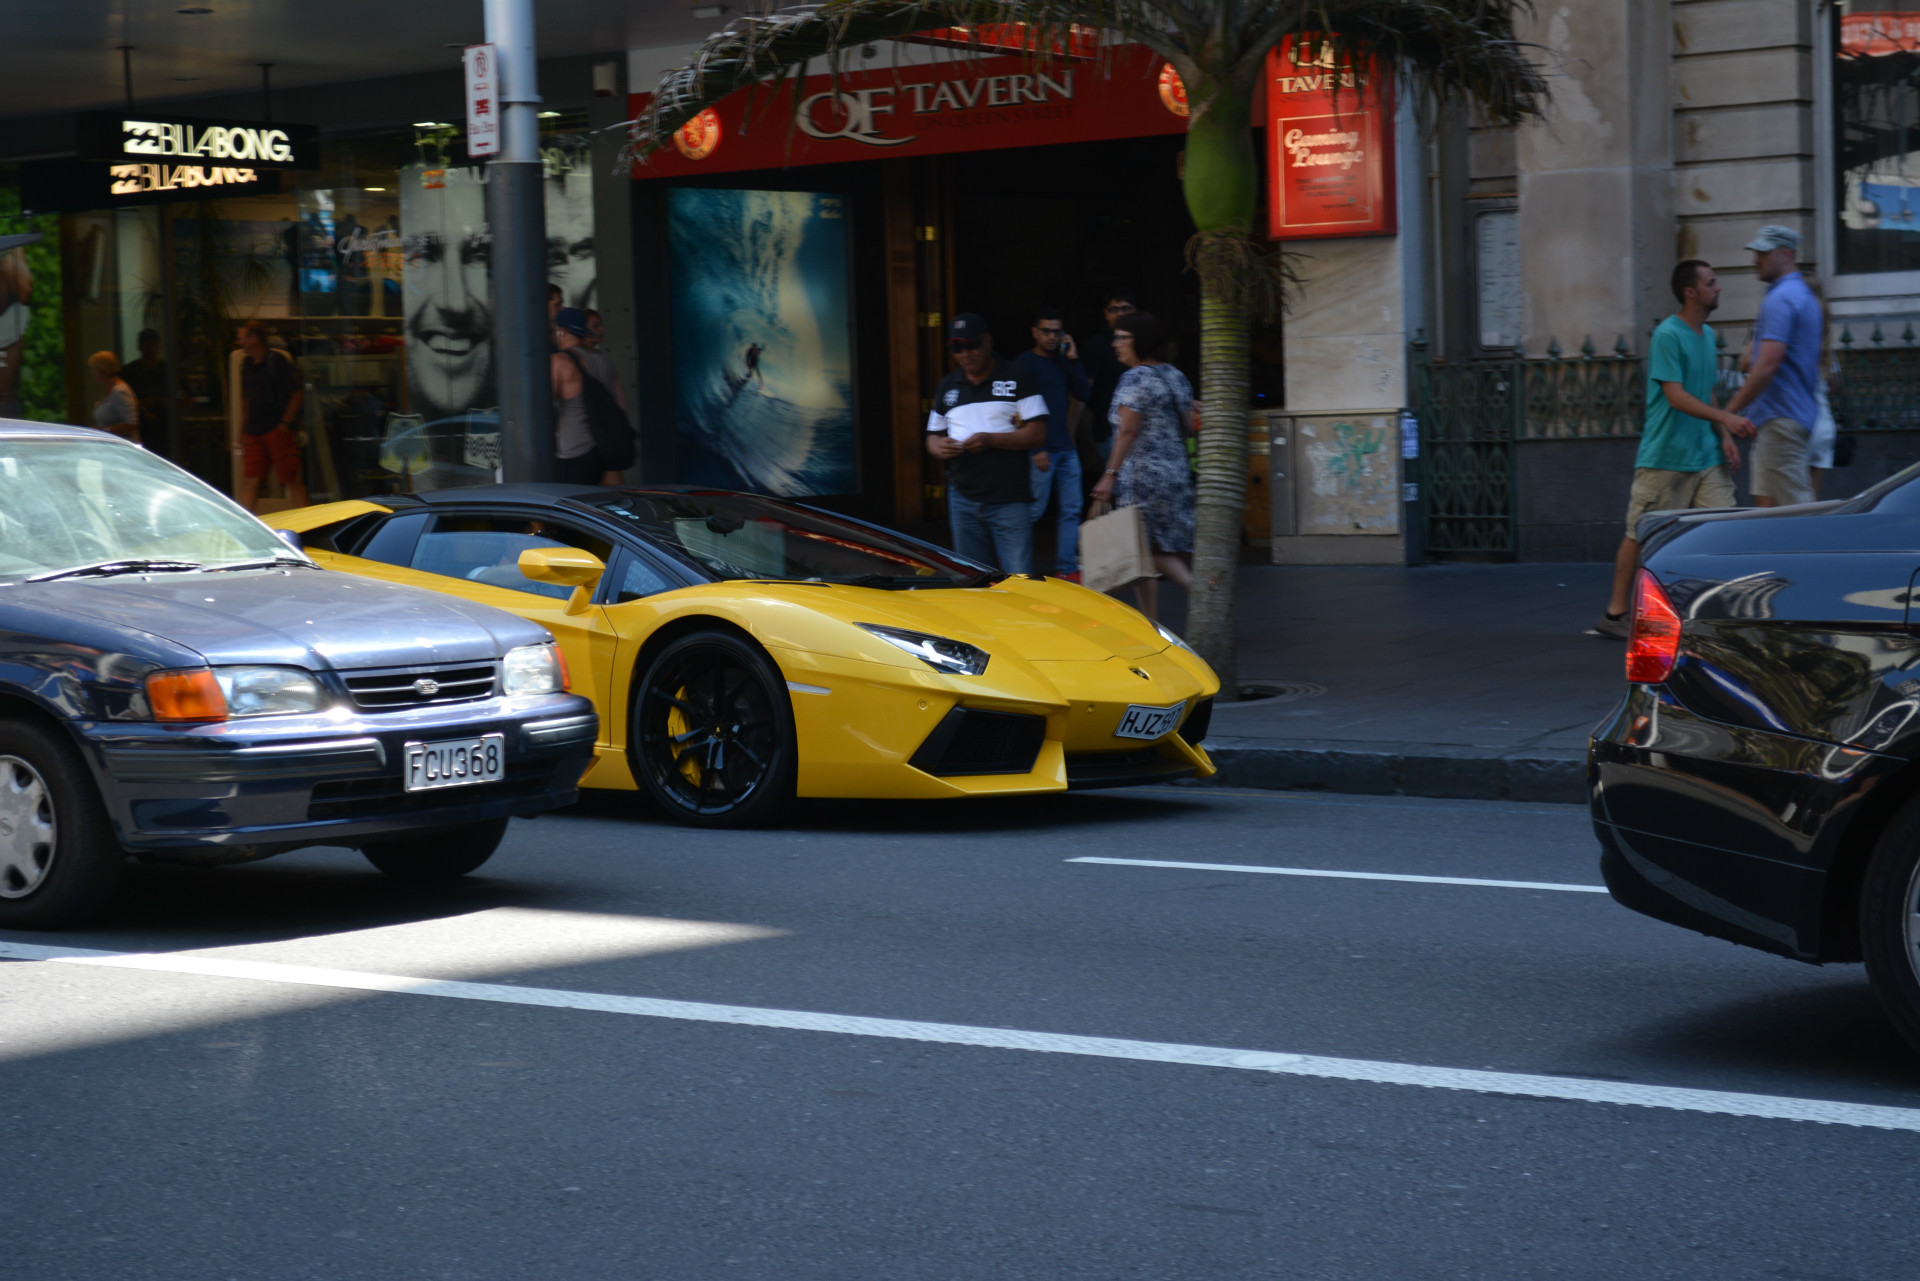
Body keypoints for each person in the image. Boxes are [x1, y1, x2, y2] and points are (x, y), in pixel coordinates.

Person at [1592, 260, 1754, 639]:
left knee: (1722, 531)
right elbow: (1676, 395)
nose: (1719, 289)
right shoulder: (1668, 335)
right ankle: (1615, 614)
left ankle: (1713, 611)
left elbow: (1705, 389)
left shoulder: (1708, 335)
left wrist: (1723, 436)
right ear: (1690, 292)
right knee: (1640, 534)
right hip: (1666, 456)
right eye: (1712, 283)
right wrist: (1728, 420)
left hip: (1706, 456)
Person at [1089, 312, 1194, 624]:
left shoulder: (1135, 378)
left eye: (1123, 338)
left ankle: (1203, 595)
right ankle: (1151, 619)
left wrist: (1110, 474)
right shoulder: (1176, 375)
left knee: (1143, 549)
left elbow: (1127, 431)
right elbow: (1189, 424)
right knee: (1147, 548)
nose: (1115, 344)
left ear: (1141, 342)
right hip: (1175, 473)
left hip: (1142, 477)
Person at [926, 313, 1047, 573]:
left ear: (988, 342)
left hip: (1009, 499)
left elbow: (1037, 433)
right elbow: (933, 438)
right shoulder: (948, 386)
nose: (965, 354)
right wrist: (941, 448)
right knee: (974, 580)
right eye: (957, 348)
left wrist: (991, 440)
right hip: (962, 498)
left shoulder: (1018, 377)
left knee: (1019, 578)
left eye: (971, 345)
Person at [1723, 225, 1823, 507]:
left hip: (1781, 419)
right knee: (1769, 515)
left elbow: (1767, 365)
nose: (1756, 259)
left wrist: (1730, 410)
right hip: (1781, 419)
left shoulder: (1781, 299)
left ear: (1787, 255)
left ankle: (1824, 552)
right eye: (1757, 252)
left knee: (1800, 515)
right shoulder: (1801, 295)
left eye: (1764, 253)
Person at [1013, 307, 1091, 581]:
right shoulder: (1024, 363)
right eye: (1046, 331)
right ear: (1034, 332)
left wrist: (1073, 358)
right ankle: (1013, 562)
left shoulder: (1062, 361)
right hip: (1042, 448)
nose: (1051, 336)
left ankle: (1067, 568)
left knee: (1071, 509)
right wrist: (1036, 448)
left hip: (1066, 447)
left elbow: (1083, 393)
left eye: (1057, 331)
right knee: (1033, 510)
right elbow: (1016, 410)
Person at [550, 307, 626, 486]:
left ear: (562, 331)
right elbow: (621, 405)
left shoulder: (560, 362)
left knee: (569, 507)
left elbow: (544, 408)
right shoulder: (604, 361)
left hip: (573, 450)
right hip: (603, 450)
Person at [236, 322, 307, 512]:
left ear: (254, 338)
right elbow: (247, 400)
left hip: (276, 427)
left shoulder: (276, 361)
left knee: (290, 477)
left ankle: (308, 519)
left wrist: (285, 423)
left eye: (243, 337)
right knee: (250, 478)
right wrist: (243, 429)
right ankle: (246, 524)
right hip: (255, 429)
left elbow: (296, 394)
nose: (239, 342)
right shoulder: (246, 365)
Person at [1083, 288, 1137, 459]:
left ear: (1134, 311)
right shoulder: (1096, 345)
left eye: (1125, 309)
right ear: (1106, 313)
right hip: (1109, 429)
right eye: (1114, 309)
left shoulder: (1143, 341)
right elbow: (1085, 390)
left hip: (1142, 427)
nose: (1120, 314)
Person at [120, 329, 169, 458]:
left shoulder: (167, 370)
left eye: (154, 344)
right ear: (140, 347)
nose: (151, 348)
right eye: (147, 344)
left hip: (164, 427)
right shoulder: (129, 371)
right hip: (141, 426)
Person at [87, 352, 139, 444]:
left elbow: (131, 424)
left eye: (93, 369)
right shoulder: (108, 389)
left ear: (101, 370)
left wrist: (104, 430)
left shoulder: (120, 391)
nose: (92, 373)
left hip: (123, 448)